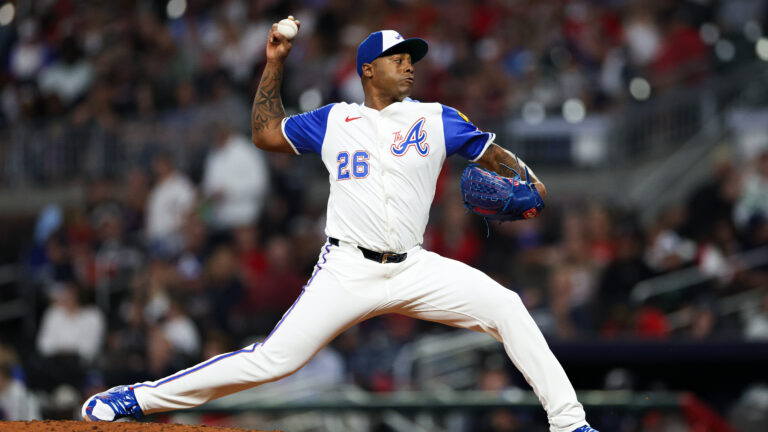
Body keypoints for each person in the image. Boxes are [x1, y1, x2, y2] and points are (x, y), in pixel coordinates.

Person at [82, 18, 598, 432]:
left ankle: (570, 423)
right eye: (397, 58)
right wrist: (275, 62)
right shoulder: (334, 120)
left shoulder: (436, 117)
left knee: (507, 306)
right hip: (348, 267)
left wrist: (528, 178)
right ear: (368, 70)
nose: (408, 65)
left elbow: (491, 152)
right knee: (274, 361)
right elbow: (263, 132)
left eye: (411, 57)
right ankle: (136, 399)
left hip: (414, 267)